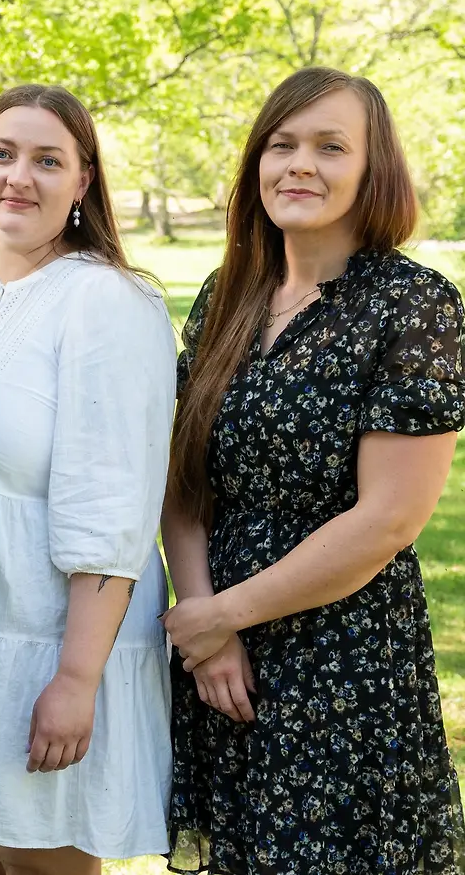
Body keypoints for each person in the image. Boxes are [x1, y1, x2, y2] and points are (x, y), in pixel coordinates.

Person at [160, 66, 465, 873]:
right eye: (282, 144)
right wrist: (206, 628)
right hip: (222, 663)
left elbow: (388, 519)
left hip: (343, 657)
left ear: (373, 169)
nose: (300, 164)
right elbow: (184, 482)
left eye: (331, 147)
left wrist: (225, 614)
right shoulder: (227, 296)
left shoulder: (413, 306)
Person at [0, 86, 174, 875]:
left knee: (39, 862)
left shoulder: (107, 300)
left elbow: (115, 506)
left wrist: (76, 679)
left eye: (48, 160)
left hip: (46, 646)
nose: (19, 176)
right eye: (2, 154)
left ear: (83, 181)